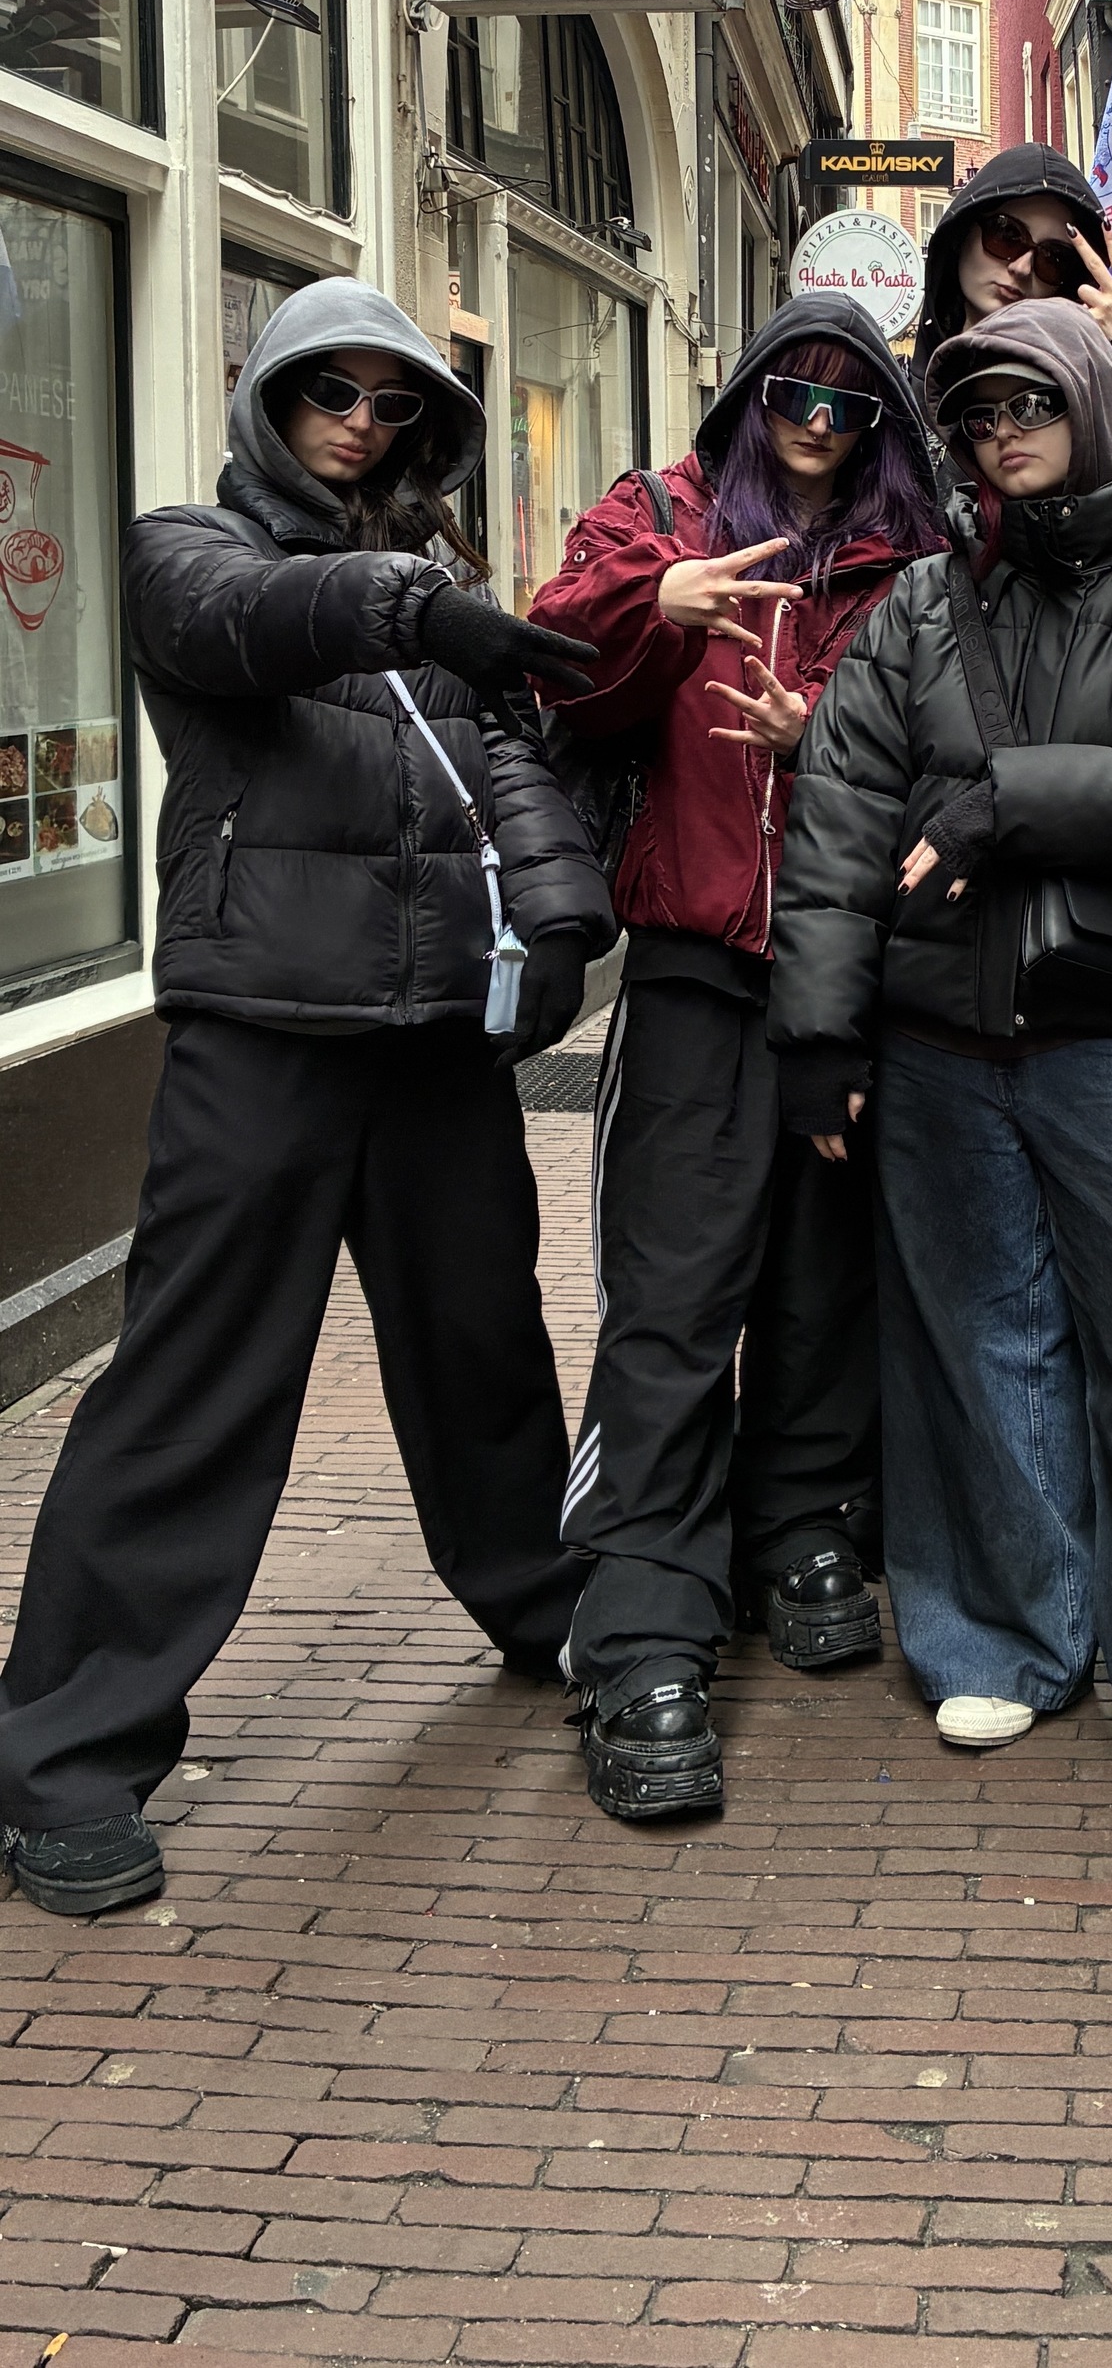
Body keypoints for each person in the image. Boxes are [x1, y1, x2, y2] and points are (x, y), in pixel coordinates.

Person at [0, 280, 612, 1920]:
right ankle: (64, 1754)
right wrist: (417, 607)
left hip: (435, 1042)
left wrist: (563, 916)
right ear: (267, 401)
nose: (358, 422)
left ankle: (547, 1605)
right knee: (197, 1382)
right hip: (264, 1031)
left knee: (485, 1349)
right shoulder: (185, 548)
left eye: (391, 401)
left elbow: (506, 770)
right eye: (327, 392)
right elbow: (252, 626)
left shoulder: (433, 590)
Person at [768, 299, 1112, 1813]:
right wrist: (821, 1030)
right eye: (978, 413)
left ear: (1092, 402)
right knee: (980, 1348)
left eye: (1031, 402)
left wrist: (1016, 798)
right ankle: (1004, 1632)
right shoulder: (926, 604)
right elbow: (839, 818)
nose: (1003, 434)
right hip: (940, 1033)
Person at [527, 297, 948, 1826]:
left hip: (854, 976)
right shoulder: (660, 513)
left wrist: (822, 734)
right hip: (696, 965)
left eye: (850, 404)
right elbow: (551, 666)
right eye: (794, 394)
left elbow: (965, 748)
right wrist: (659, 607)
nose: (818, 426)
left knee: (827, 1273)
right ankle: (644, 1618)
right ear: (750, 393)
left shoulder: (917, 562)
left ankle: (803, 1525)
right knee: (676, 1291)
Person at [911, 142, 1112, 440]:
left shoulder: (1086, 401)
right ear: (961, 235)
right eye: (1006, 235)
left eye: (1053, 259)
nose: (1022, 268)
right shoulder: (895, 397)